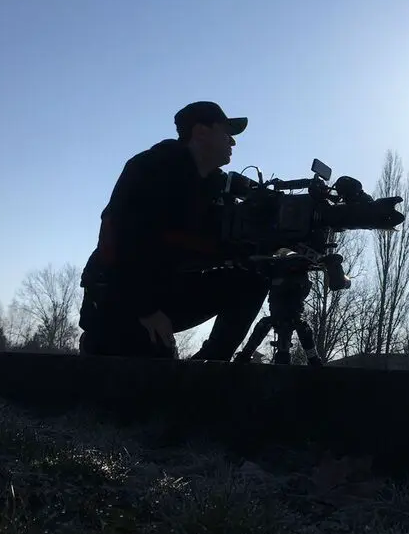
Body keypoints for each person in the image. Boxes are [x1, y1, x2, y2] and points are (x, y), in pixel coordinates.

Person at [78, 100, 269, 360]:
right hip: (119, 295)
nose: (232, 143)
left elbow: (205, 246)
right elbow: (119, 241)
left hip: (166, 287)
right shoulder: (151, 169)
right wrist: (147, 309)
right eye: (226, 133)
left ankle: (208, 368)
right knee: (145, 373)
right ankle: (105, 343)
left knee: (252, 280)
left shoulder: (214, 187)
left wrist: (259, 247)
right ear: (201, 132)